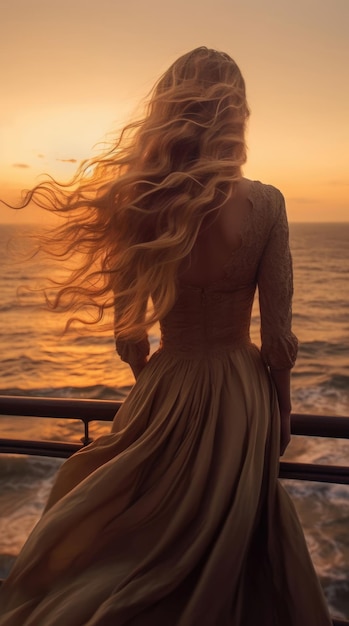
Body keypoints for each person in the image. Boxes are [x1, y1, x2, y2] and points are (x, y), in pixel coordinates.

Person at [0, 47, 332, 625]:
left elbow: (131, 338)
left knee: (140, 540)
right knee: (232, 543)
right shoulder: (268, 204)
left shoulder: (144, 203)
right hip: (239, 395)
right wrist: (281, 409)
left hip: (165, 386)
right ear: (237, 113)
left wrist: (149, 385)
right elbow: (277, 337)